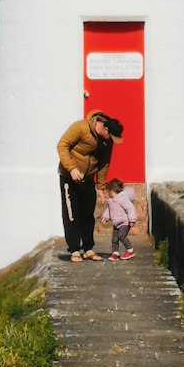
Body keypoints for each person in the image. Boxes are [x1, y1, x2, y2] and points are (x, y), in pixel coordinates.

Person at [56, 109, 123, 262]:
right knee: (71, 214)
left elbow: (104, 163)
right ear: (105, 129)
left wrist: (100, 187)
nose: (111, 140)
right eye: (111, 136)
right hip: (69, 177)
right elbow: (62, 145)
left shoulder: (107, 141)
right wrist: (72, 168)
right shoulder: (80, 128)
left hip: (88, 179)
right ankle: (74, 249)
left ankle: (88, 248)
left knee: (88, 215)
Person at [101, 177, 136, 260]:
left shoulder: (122, 199)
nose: (107, 193)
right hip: (116, 223)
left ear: (111, 190)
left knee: (121, 236)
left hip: (124, 222)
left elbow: (130, 208)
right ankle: (115, 253)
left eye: (107, 191)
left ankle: (130, 250)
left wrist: (132, 220)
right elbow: (109, 210)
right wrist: (105, 218)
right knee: (114, 239)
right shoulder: (111, 201)